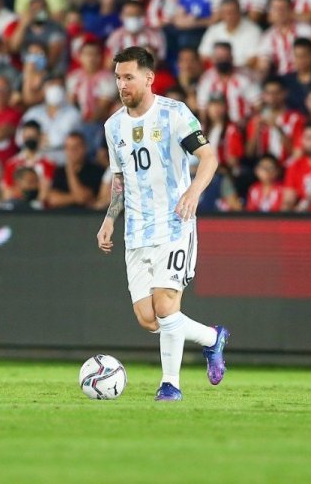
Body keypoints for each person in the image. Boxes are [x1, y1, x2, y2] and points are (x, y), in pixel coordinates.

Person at [97, 46, 229, 401]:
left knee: (167, 306)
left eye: (129, 77)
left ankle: (170, 385)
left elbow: (208, 157)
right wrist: (110, 218)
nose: (122, 85)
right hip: (136, 230)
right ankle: (213, 338)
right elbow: (120, 178)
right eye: (118, 78)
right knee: (149, 319)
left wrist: (194, 193)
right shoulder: (114, 126)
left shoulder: (174, 114)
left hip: (175, 223)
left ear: (148, 77)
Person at [47, 132, 102, 209]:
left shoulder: (95, 171)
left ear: (85, 148)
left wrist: (70, 171)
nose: (72, 151)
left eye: (76, 147)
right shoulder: (59, 171)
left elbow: (83, 199)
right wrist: (76, 197)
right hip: (61, 216)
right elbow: (53, 199)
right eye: (69, 148)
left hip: (85, 216)